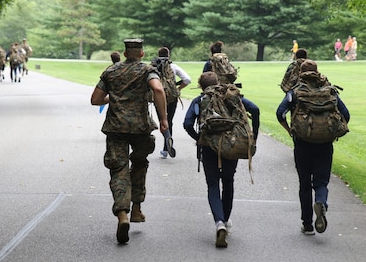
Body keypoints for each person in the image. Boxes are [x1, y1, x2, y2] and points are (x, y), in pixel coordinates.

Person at [90, 39, 169, 244]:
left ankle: (122, 214)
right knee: (140, 164)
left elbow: (95, 100)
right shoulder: (147, 70)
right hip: (140, 128)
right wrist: (163, 119)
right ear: (142, 54)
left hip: (116, 128)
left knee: (119, 170)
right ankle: (137, 209)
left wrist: (113, 98)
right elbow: (158, 90)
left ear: (125, 54)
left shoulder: (111, 72)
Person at [183, 71, 260, 248]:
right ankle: (225, 220)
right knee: (228, 181)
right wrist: (253, 136)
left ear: (201, 86)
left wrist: (199, 139)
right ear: (218, 82)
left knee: (212, 184)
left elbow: (187, 124)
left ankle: (218, 222)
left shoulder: (200, 100)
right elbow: (254, 109)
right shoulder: (231, 94)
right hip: (230, 145)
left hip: (209, 147)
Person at [276, 60, 350, 235]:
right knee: (321, 181)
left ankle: (307, 224)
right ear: (317, 71)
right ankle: (321, 203)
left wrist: (290, 130)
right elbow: (345, 114)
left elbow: (280, 113)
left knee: (304, 183)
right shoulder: (329, 91)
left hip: (302, 144)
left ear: (300, 73)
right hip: (325, 144)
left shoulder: (295, 91)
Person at [153, 47, 191, 158]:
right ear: (168, 55)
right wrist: (177, 89)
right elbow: (187, 79)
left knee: (162, 120)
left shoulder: (153, 67)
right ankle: (166, 148)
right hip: (171, 98)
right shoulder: (173, 67)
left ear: (158, 54)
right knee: (169, 120)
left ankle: (166, 140)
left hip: (158, 97)